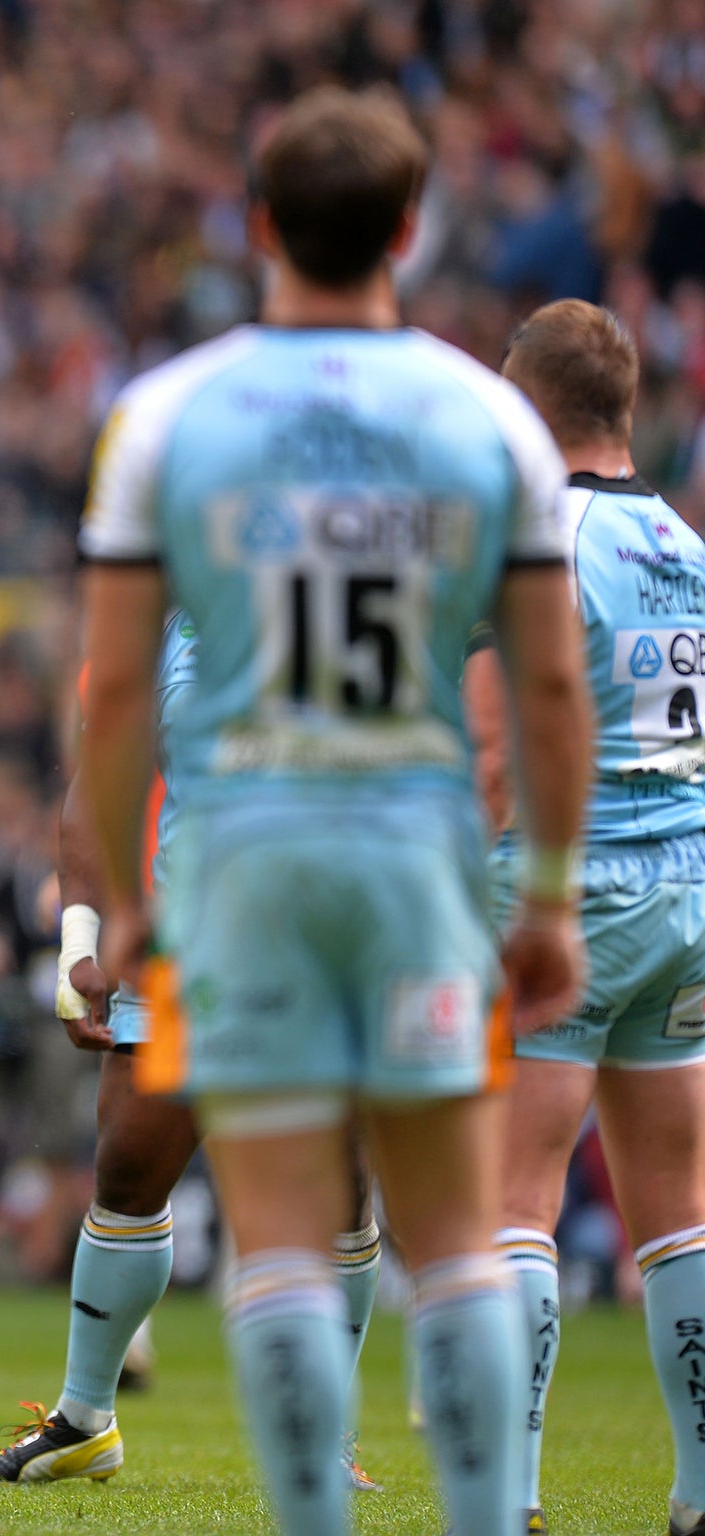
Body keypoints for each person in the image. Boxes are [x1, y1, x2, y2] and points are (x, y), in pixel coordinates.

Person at [77, 87, 592, 1536]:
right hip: (415, 852)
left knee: (283, 1240)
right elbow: (550, 694)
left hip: (242, 855)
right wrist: (546, 893)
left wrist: (123, 901)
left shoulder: (169, 414)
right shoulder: (490, 418)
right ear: (412, 231)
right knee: (451, 1242)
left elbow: (116, 700)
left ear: (256, 228)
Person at [0, 615, 384, 1492]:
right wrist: (80, 937)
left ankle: (326, 1439)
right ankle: (83, 1422)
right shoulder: (164, 622)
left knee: (336, 1189)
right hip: (186, 948)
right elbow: (96, 786)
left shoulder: (359, 596)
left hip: (324, 943)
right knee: (129, 1171)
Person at [463, 299, 705, 1536]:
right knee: (677, 1207)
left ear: (529, 402)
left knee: (513, 1199)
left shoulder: (534, 538)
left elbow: (499, 746)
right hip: (686, 896)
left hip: (567, 886)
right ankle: (697, 1492)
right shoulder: (682, 541)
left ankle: (503, 1502)